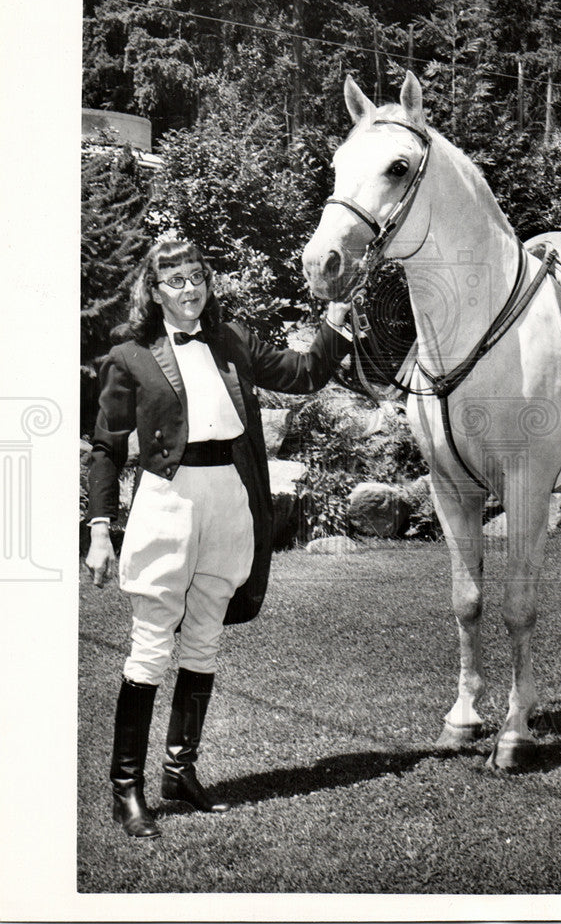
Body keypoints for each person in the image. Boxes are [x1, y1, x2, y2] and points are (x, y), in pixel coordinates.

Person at [85, 239, 352, 838]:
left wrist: (334, 320)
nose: (189, 289)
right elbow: (107, 447)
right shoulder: (128, 356)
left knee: (203, 640)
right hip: (168, 500)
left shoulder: (232, 339)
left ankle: (180, 773)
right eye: (174, 280)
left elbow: (305, 373)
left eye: (196, 276)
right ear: (155, 292)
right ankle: (126, 789)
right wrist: (100, 528)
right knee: (151, 647)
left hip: (229, 497)